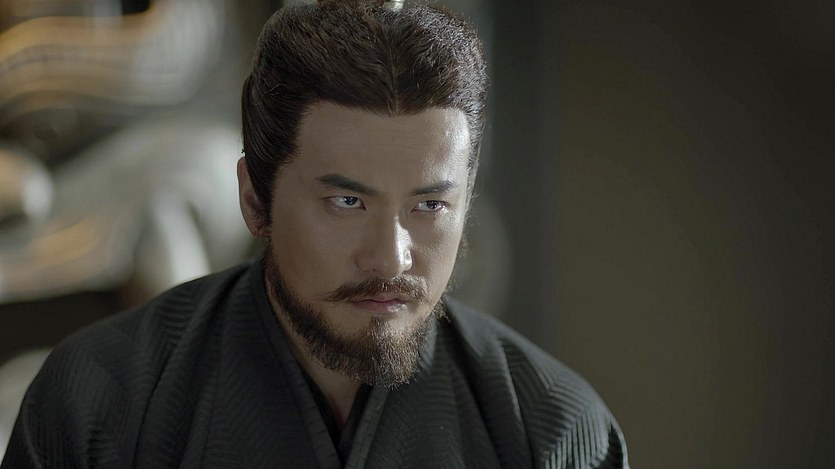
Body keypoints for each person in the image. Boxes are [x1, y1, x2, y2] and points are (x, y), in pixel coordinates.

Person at [2, 1, 628, 467]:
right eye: (347, 202)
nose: (390, 257)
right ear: (255, 199)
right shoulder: (99, 400)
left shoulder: (550, 427)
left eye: (430, 205)